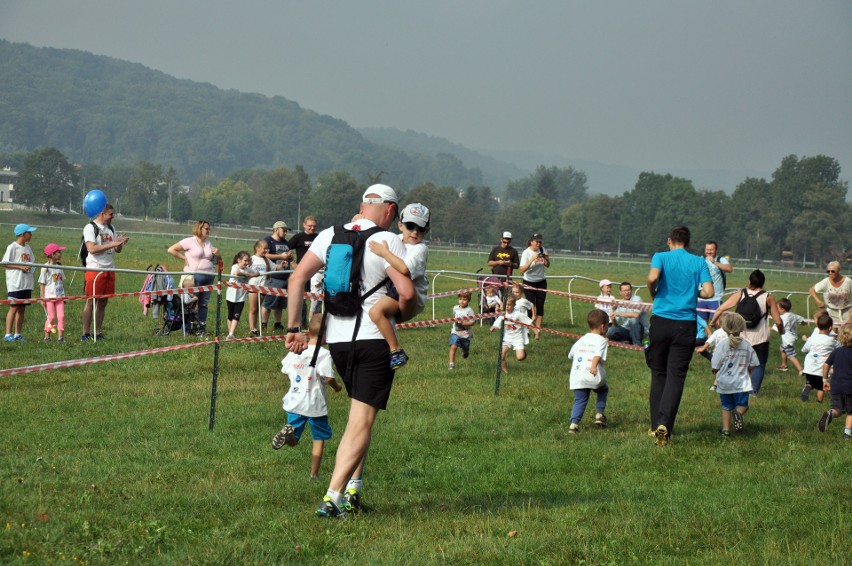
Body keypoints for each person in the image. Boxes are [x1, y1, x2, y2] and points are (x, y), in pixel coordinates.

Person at [284, 183, 416, 519]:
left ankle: (352, 490)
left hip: (338, 340)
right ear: (389, 209)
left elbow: (297, 278)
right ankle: (332, 497)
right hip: (374, 339)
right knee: (360, 421)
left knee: (360, 418)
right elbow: (405, 292)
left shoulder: (329, 234)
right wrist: (405, 310)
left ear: (362, 204)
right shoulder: (387, 240)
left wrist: (294, 328)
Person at [646, 225, 714, 446]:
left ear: (669, 241)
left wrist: (653, 292)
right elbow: (709, 292)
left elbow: (652, 277)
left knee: (658, 372)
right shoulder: (698, 262)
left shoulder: (661, 257)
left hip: (661, 320)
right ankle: (666, 424)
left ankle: (656, 424)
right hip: (685, 324)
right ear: (688, 242)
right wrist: (692, 290)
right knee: (676, 376)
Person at [272, 314, 343, 479]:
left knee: (295, 439)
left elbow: (285, 369)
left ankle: (288, 435)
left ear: (308, 332)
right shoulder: (324, 354)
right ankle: (314, 475)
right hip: (315, 405)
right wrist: (337, 387)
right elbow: (328, 378)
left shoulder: (297, 349)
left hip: (295, 401)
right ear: (326, 335)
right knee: (318, 439)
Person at [368, 203, 430, 370]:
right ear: (400, 225)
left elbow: (404, 269)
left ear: (427, 230)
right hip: (396, 288)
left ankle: (396, 350)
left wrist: (384, 252)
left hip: (412, 293)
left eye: (421, 228)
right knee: (382, 317)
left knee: (375, 312)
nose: (415, 232)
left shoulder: (419, 249)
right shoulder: (395, 239)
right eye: (411, 226)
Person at [709, 269, 784, 396]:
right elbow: (778, 321)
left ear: (749, 281)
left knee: (738, 363)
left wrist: (713, 321)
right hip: (760, 338)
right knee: (759, 365)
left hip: (741, 336)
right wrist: (782, 331)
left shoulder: (741, 293)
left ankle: (731, 386)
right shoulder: (768, 297)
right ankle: (753, 392)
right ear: (763, 282)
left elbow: (722, 308)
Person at [81, 204, 128, 341]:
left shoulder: (111, 228)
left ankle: (98, 332)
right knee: (91, 301)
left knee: (103, 303)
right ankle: (86, 333)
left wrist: (119, 244)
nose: (112, 217)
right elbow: (92, 249)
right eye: (110, 214)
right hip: (95, 269)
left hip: (109, 268)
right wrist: (112, 244)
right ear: (102, 213)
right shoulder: (90, 228)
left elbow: (116, 250)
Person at [711, 313, 759, 437]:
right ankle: (738, 413)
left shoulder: (722, 344)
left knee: (726, 406)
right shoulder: (746, 344)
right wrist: (748, 369)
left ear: (724, 327)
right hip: (741, 382)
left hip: (724, 382)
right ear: (742, 327)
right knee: (743, 405)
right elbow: (754, 362)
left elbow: (715, 364)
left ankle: (726, 430)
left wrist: (716, 371)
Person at [167, 220, 219, 334]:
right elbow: (171, 249)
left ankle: (201, 328)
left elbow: (215, 261)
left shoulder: (209, 244)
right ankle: (186, 329)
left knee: (203, 304)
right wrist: (184, 258)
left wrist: (217, 255)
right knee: (189, 303)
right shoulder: (189, 241)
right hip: (192, 278)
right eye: (206, 228)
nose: (208, 231)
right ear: (199, 229)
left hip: (209, 276)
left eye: (209, 229)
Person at [567, 308, 610, 433]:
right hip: (593, 374)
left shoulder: (581, 339)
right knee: (603, 389)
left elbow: (570, 355)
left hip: (578, 375)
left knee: (580, 400)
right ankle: (599, 414)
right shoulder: (602, 340)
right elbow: (597, 354)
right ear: (603, 326)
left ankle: (573, 425)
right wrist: (593, 366)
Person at [818, 322, 852, 440]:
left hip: (836, 386)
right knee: (850, 412)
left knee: (837, 409)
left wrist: (825, 380)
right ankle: (847, 434)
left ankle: (830, 414)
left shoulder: (836, 351)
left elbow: (826, 365)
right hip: (850, 387)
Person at [3, 223, 37, 342]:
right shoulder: (12, 247)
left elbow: (33, 263)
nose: (31, 235)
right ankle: (8, 334)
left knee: (22, 309)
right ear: (23, 234)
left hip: (25, 284)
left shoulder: (28, 248)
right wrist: (20, 267)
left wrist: (29, 269)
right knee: (13, 307)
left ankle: (18, 334)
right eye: (29, 233)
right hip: (15, 283)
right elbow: (4, 263)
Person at [261, 221, 294, 333]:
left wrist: (290, 258)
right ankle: (264, 324)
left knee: (280, 304)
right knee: (268, 302)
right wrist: (280, 256)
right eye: (283, 230)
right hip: (273, 277)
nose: (285, 233)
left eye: (286, 231)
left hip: (285, 277)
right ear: (276, 230)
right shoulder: (268, 241)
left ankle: (277, 324)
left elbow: (289, 257)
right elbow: (265, 254)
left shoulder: (286, 243)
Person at [289, 215, 320, 328]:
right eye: (310, 226)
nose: (312, 228)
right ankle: (301, 323)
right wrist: (291, 261)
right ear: (304, 225)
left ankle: (315, 324)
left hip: (317, 273)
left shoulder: (319, 237)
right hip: (302, 272)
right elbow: (286, 248)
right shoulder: (298, 237)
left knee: (316, 299)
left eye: (314, 226)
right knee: (301, 298)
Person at [490, 296, 533, 374]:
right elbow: (497, 325)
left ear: (514, 305)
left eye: (509, 305)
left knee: (520, 357)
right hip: (506, 339)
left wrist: (537, 332)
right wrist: (493, 328)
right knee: (501, 356)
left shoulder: (518, 314)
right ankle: (506, 372)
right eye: (505, 304)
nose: (507, 306)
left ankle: (523, 353)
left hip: (517, 338)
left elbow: (529, 322)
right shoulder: (503, 315)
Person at [800, 313, 837, 403]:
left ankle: (807, 387)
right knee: (821, 387)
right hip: (822, 369)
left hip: (809, 366)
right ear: (830, 328)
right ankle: (819, 401)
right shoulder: (832, 341)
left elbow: (804, 349)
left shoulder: (812, 338)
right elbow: (839, 348)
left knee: (810, 383)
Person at [519, 233, 550, 335]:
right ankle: (529, 329)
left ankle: (538, 330)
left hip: (541, 281)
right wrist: (532, 259)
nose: (538, 243)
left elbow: (547, 265)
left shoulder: (542, 249)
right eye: (537, 241)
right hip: (529, 282)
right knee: (530, 305)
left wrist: (546, 258)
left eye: (540, 241)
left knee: (540, 306)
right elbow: (522, 270)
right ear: (531, 241)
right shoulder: (526, 253)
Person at [225, 251, 257, 340]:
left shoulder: (248, 268)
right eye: (245, 261)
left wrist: (251, 274)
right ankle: (230, 333)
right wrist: (245, 274)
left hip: (241, 297)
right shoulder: (234, 266)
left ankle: (232, 333)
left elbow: (257, 273)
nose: (246, 263)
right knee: (230, 314)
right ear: (238, 260)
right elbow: (236, 273)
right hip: (231, 295)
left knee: (237, 315)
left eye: (248, 261)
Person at [697, 241, 732, 322]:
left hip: (716, 298)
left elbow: (729, 269)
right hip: (701, 299)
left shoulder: (721, 259)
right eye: (707, 249)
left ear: (716, 250)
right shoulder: (700, 259)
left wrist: (714, 262)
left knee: (717, 323)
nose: (708, 252)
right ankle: (704, 335)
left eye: (711, 250)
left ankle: (718, 335)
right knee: (701, 326)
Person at [39, 243, 67, 342]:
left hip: (59, 297)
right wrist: (42, 299)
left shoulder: (59, 267)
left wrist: (64, 296)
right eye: (59, 252)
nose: (60, 254)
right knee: (50, 316)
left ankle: (60, 337)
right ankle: (47, 336)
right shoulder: (45, 268)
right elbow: (42, 284)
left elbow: (61, 282)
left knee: (61, 316)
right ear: (52, 255)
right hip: (49, 297)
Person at [606, 281, 647, 346]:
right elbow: (616, 324)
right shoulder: (620, 303)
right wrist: (613, 318)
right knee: (610, 330)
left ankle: (637, 344)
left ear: (631, 290)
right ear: (620, 292)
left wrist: (618, 313)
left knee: (633, 320)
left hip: (640, 330)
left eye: (628, 290)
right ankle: (626, 341)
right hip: (626, 330)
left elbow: (636, 315)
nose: (627, 292)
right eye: (624, 291)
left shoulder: (637, 299)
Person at [773, 297, 805, 373]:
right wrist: (804, 323)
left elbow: (775, 328)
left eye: (777, 308)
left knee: (791, 355)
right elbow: (801, 320)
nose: (776, 310)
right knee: (782, 349)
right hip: (792, 337)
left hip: (787, 339)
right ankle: (784, 365)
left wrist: (765, 327)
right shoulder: (792, 315)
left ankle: (801, 369)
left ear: (782, 309)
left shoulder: (782, 318)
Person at [247, 239, 271, 337]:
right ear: (257, 248)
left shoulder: (267, 260)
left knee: (258, 308)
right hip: (253, 286)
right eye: (264, 248)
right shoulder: (252, 259)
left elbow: (275, 268)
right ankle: (252, 329)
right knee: (253, 308)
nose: (266, 250)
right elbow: (244, 268)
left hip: (263, 287)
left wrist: (281, 265)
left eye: (267, 248)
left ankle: (256, 328)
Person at [449, 291, 475, 370]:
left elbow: (472, 322)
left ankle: (465, 351)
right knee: (453, 346)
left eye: (464, 299)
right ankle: (451, 364)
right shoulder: (455, 308)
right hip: (455, 332)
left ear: (468, 300)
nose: (462, 301)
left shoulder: (469, 310)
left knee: (465, 349)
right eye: (460, 299)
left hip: (465, 334)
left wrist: (464, 323)